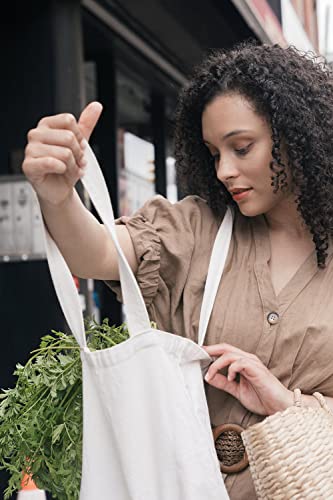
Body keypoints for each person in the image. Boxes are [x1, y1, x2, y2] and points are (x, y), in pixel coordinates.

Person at [22, 41, 333, 499]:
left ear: (298, 135)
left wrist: (288, 404)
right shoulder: (198, 228)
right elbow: (97, 255)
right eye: (213, 153)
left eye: (242, 148)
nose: (225, 170)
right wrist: (58, 197)